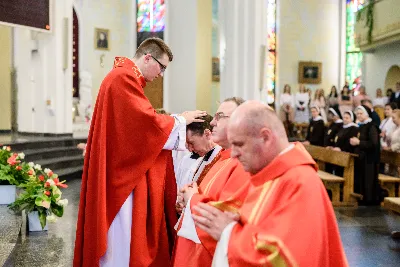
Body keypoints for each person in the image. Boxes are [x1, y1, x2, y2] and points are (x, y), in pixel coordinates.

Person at [73, 37, 207, 267]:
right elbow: (144, 124)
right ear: (147, 57)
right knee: (121, 238)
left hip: (118, 169)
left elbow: (138, 124)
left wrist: (174, 121)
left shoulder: (123, 77)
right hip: (120, 178)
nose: (161, 74)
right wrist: (180, 120)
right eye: (161, 67)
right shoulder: (123, 78)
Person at [191, 101, 348, 267]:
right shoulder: (271, 175)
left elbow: (283, 258)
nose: (234, 154)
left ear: (265, 137)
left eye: (239, 144)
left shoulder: (299, 182)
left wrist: (228, 233)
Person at [172, 97, 252, 267]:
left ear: (240, 121)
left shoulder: (243, 165)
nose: (213, 123)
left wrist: (192, 199)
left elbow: (224, 222)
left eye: (220, 116)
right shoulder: (224, 159)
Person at [175, 115, 222, 192]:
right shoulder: (200, 159)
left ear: (207, 134)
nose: (190, 149)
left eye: (191, 143)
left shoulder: (223, 158)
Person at [350, 105, 381, 205]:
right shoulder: (361, 125)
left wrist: (359, 143)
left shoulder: (372, 126)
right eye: (357, 114)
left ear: (366, 114)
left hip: (369, 159)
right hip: (361, 158)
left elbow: (374, 143)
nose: (358, 115)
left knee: (368, 180)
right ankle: (361, 198)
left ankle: (369, 200)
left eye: (361, 113)